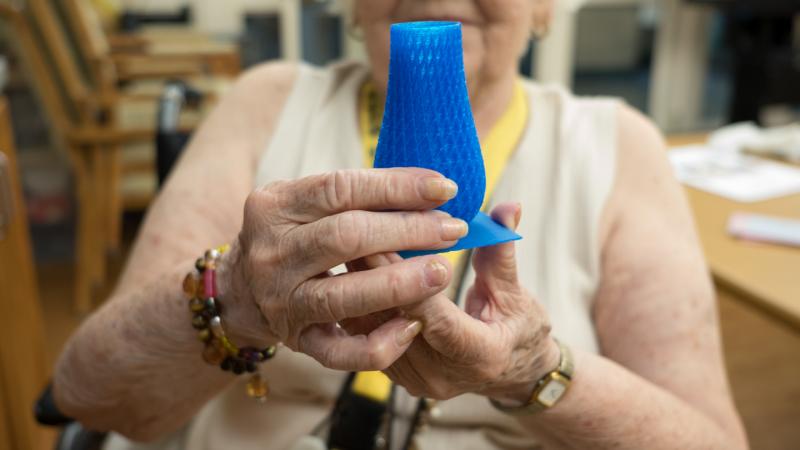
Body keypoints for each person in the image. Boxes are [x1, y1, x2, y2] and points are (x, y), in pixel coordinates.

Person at [53, 1, 748, 449]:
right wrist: (235, 297)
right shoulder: (266, 104)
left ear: (543, 8)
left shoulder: (617, 145)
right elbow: (89, 393)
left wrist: (534, 372)